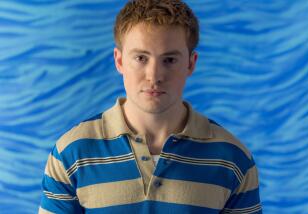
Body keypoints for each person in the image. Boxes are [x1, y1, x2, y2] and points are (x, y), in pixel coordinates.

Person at [39, 0, 261, 213]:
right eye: (141, 58)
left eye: (170, 60)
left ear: (191, 64)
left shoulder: (233, 158)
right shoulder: (71, 153)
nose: (154, 76)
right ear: (119, 61)